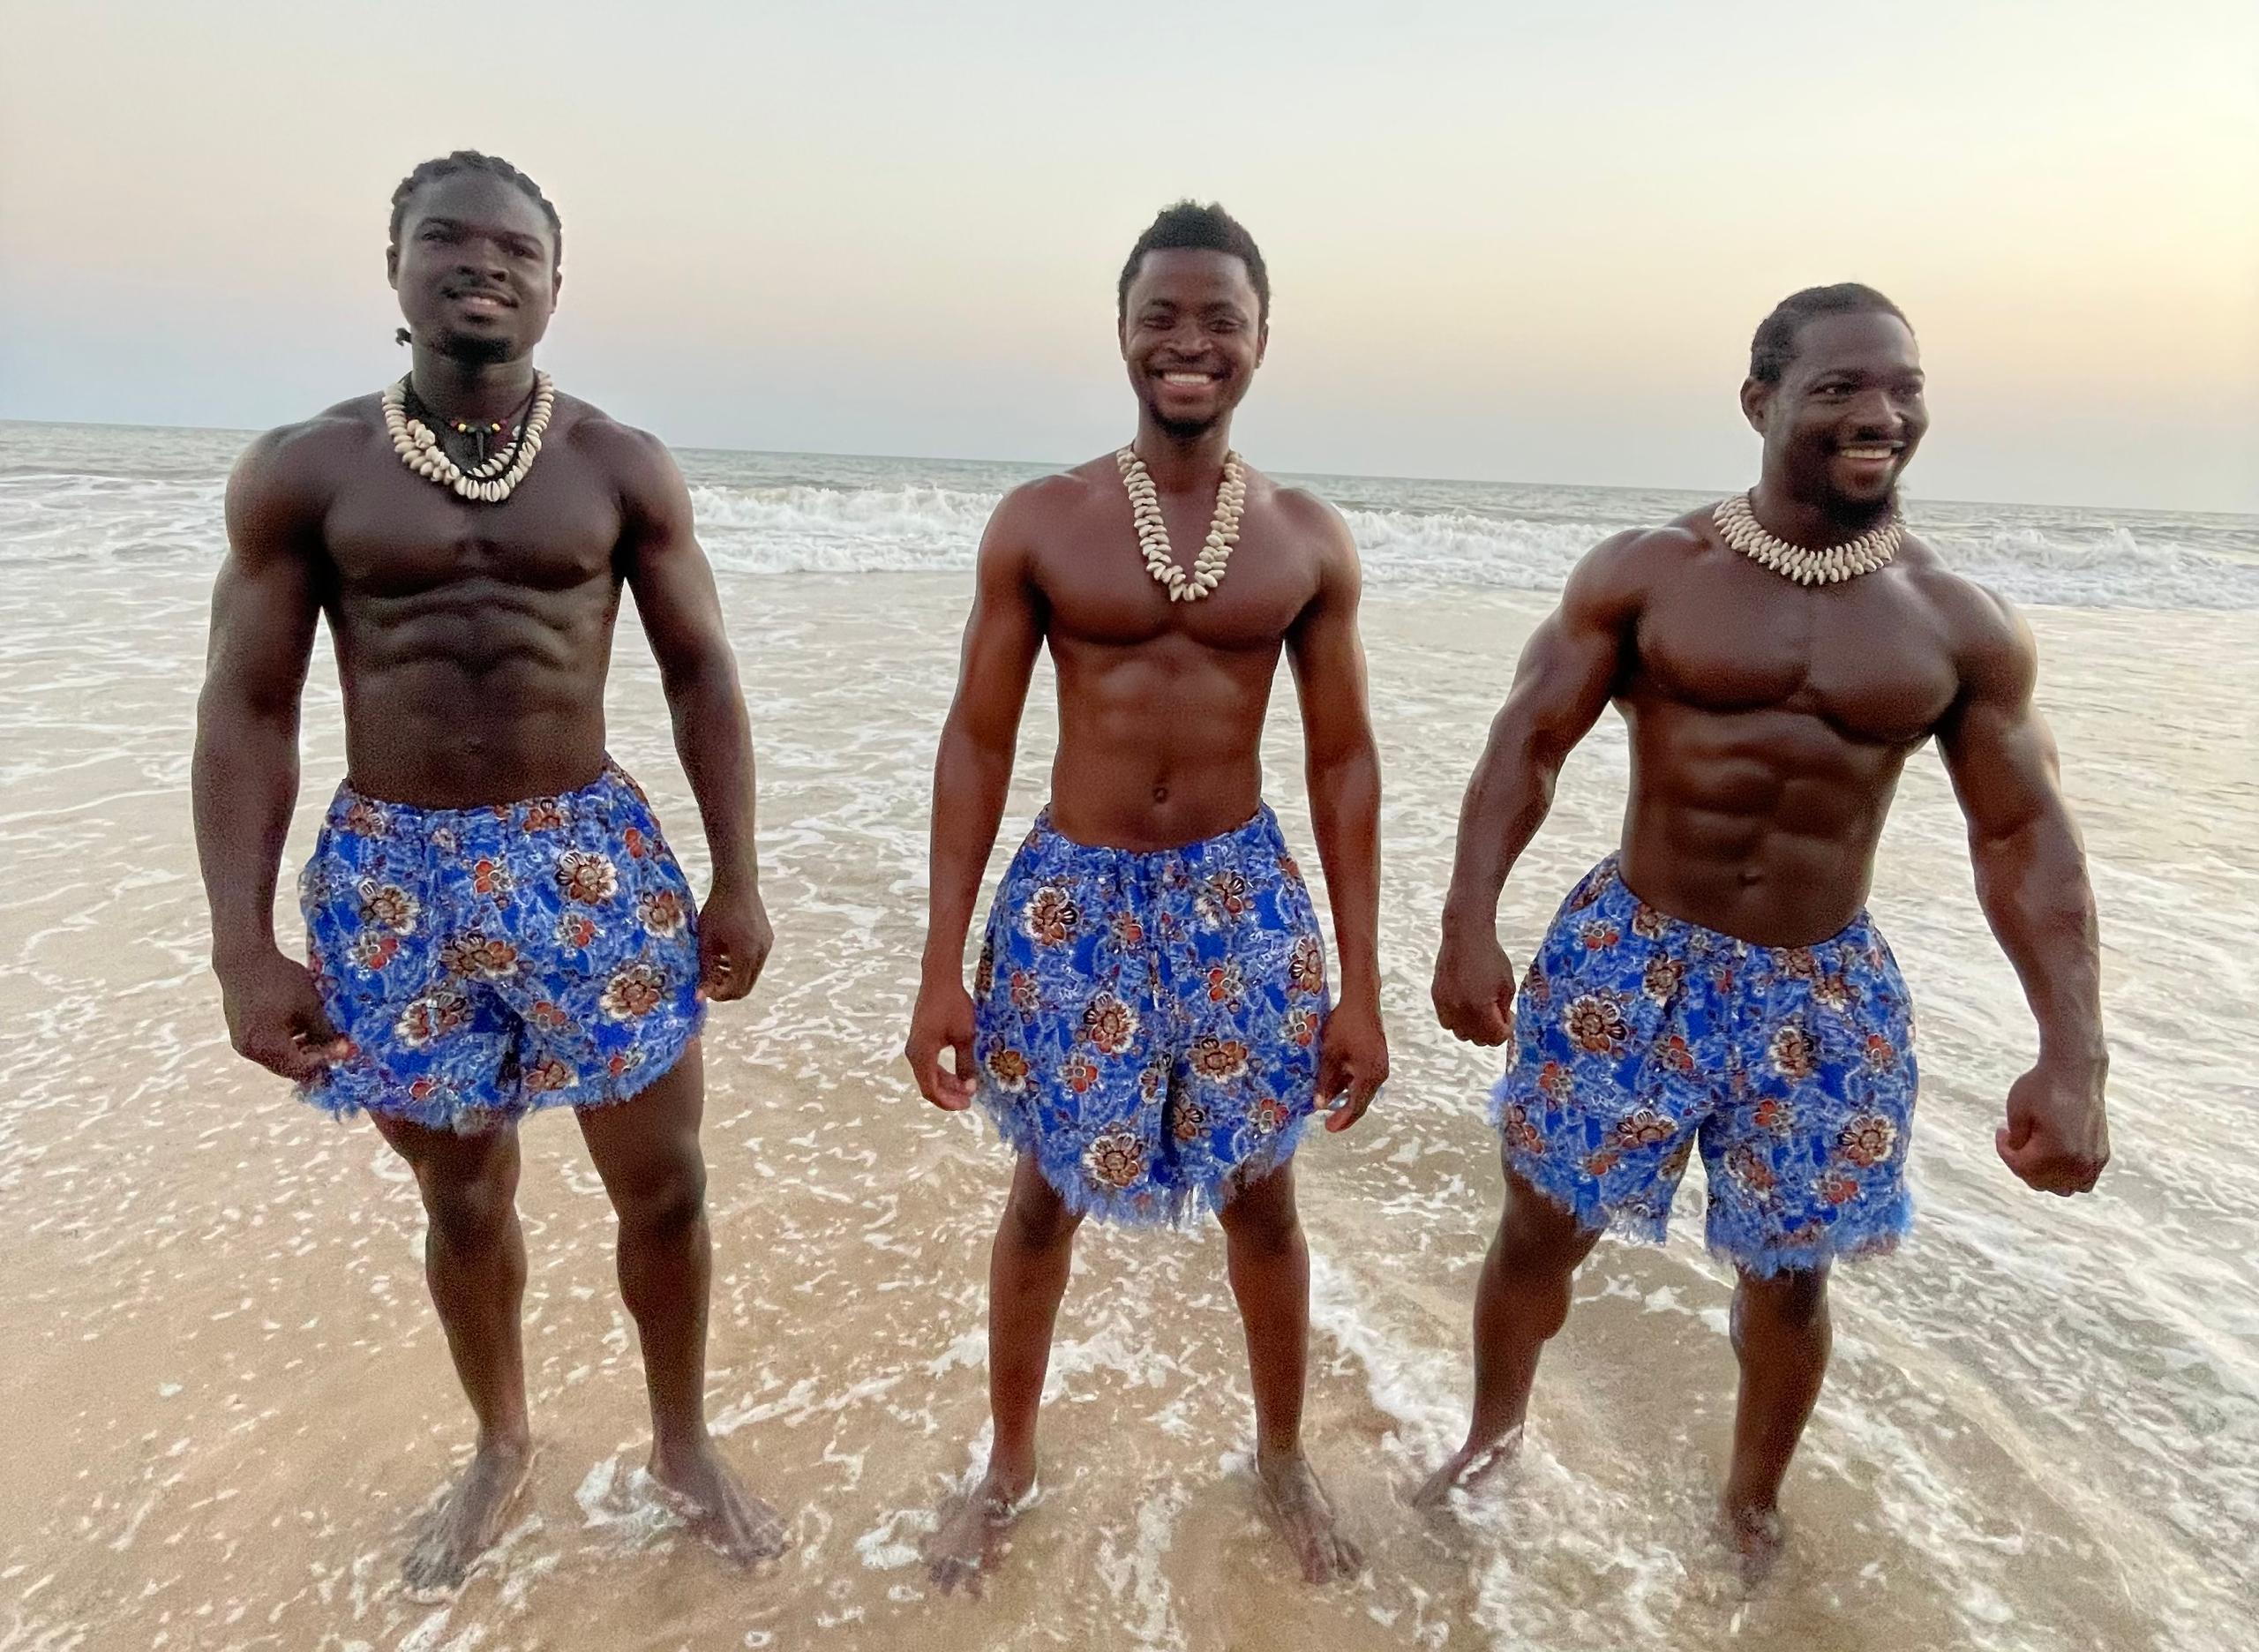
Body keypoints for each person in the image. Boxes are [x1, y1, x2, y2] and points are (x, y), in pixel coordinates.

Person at [1419, 284, 2110, 1573]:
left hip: (1822, 996)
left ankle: (1749, 1502)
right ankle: (1492, 1438)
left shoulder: (1957, 625)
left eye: (1903, 387)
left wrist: (2075, 1051)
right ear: (1761, 403)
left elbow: (2025, 837)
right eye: (1843, 387)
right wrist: (1469, 922)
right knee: (1541, 1227)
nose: (1882, 413)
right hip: (1631, 959)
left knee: (1793, 1279)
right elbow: (1527, 742)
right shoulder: (1648, 573)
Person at [192, 151, 782, 1589]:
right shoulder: (306, 469)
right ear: (393, 270)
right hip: (396, 882)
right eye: (447, 241)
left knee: (667, 1189)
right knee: (461, 1199)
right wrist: (242, 944)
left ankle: (680, 1442)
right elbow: (246, 707)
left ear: (556, 282)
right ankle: (502, 1442)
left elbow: (701, 673)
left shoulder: (617, 465)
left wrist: (738, 873)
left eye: (515, 248)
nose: (483, 264)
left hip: (588, 861)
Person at [904, 202, 1388, 1591]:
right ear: (1122, 331)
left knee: (1263, 1200)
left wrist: (1358, 982)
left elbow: (1344, 759)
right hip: (1074, 904)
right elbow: (976, 741)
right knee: (1043, 1195)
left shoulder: (1306, 539)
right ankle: (1007, 1466)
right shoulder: (1043, 522)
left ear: (1259, 341)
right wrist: (944, 963)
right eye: (1162, 316)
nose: (1190, 342)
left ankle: (1282, 1456)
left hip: (1239, 902)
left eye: (1218, 319)